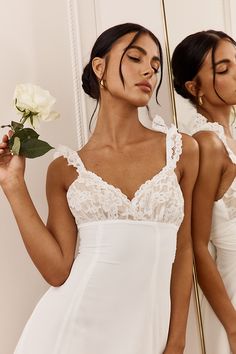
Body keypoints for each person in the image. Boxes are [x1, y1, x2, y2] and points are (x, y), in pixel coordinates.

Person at [0, 23, 198, 354]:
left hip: (144, 336)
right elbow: (57, 271)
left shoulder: (181, 150)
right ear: (99, 67)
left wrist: (176, 341)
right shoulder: (64, 169)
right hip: (69, 331)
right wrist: (13, 184)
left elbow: (185, 249)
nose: (148, 69)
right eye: (135, 57)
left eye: (155, 64)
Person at [171, 30, 236, 354]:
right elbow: (197, 245)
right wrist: (233, 326)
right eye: (223, 69)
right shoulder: (207, 144)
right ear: (194, 88)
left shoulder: (231, 135)